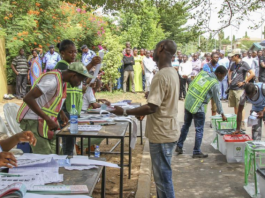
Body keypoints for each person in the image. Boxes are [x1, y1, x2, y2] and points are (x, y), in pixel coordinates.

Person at [111, 40, 179, 198]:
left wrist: (126, 112)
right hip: (168, 131)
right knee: (163, 178)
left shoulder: (162, 75)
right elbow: (160, 103)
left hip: (162, 135)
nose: (153, 51)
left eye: (155, 48)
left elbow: (152, 107)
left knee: (163, 180)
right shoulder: (172, 72)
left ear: (161, 48)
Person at [16, 58, 92, 154]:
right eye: (80, 80)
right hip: (33, 120)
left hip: (45, 121)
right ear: (73, 75)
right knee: (44, 158)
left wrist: (61, 113)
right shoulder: (52, 79)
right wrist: (48, 119)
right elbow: (28, 98)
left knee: (57, 156)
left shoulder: (62, 81)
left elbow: (51, 99)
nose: (79, 84)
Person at [54, 40, 101, 155]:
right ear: (62, 53)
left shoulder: (70, 65)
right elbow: (77, 72)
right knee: (68, 139)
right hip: (65, 108)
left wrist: (86, 86)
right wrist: (91, 64)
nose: (74, 55)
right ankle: (67, 162)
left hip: (73, 108)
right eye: (70, 52)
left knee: (71, 138)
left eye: (75, 52)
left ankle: (69, 158)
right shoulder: (62, 65)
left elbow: (77, 84)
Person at [176, 66, 228, 158]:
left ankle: (179, 145)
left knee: (186, 125)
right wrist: (222, 114)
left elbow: (191, 85)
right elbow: (217, 100)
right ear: (219, 73)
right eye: (223, 76)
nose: (223, 78)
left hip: (189, 103)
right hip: (199, 107)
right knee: (199, 129)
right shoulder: (214, 83)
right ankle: (196, 151)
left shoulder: (203, 74)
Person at [228, 49, 255, 131]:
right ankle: (237, 123)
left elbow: (252, 73)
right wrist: (229, 79)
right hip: (232, 88)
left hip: (240, 89)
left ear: (237, 56)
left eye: (232, 56)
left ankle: (242, 123)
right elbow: (229, 71)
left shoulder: (244, 64)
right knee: (235, 107)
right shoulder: (233, 64)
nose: (231, 57)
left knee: (240, 107)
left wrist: (244, 81)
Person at [203, 52, 220, 117]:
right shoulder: (206, 66)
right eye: (215, 57)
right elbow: (204, 76)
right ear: (211, 58)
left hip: (215, 87)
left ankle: (213, 119)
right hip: (207, 88)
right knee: (204, 104)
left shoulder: (219, 66)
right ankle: (202, 118)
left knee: (214, 106)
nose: (217, 59)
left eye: (218, 57)